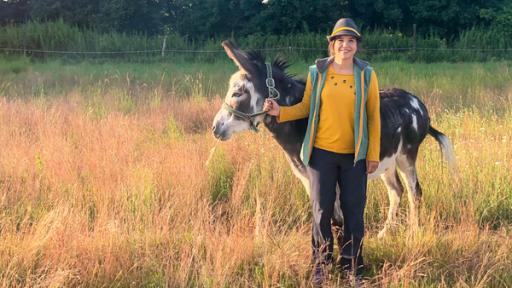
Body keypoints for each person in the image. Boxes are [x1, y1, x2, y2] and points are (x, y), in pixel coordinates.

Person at [263, 18, 380, 285]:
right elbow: (306, 107)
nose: (346, 46)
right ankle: (321, 266)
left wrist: (372, 154)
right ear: (332, 45)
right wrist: (281, 112)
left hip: (354, 157)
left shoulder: (367, 75)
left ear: (356, 46)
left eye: (351, 41)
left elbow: (374, 117)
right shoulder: (317, 73)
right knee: (321, 212)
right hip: (320, 155)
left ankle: (353, 267)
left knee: (353, 211)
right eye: (340, 41)